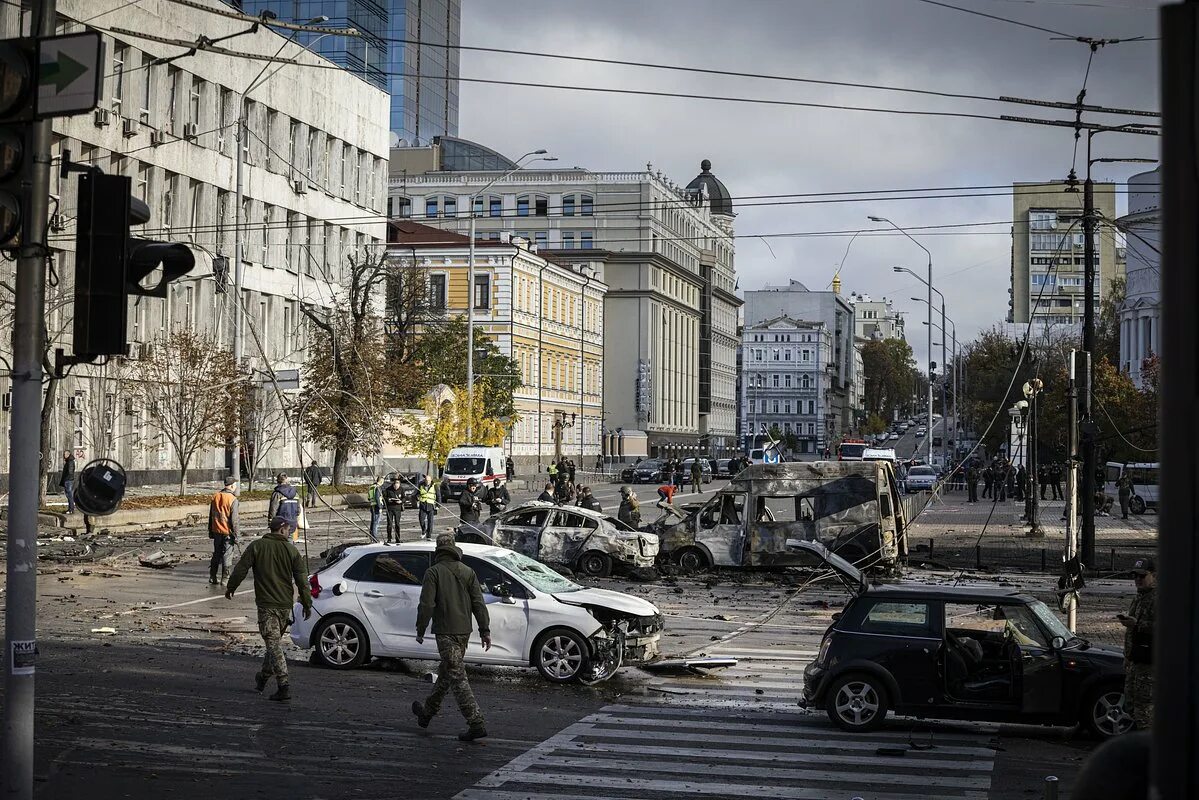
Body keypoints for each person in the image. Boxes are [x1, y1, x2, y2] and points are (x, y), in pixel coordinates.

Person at [411, 532, 491, 741]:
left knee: (456, 676)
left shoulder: (433, 572)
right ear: (454, 548)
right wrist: (485, 630)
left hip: (445, 632)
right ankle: (426, 714)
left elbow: (427, 604)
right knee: (447, 673)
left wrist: (421, 628)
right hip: (464, 631)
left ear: (438, 549)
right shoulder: (468, 572)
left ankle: (476, 723)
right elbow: (478, 604)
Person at [225, 515, 312, 702]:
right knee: (273, 644)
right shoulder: (292, 550)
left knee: (273, 645)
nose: (289, 532)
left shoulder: (256, 546)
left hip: (266, 605)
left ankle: (283, 684)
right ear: (281, 529)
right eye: (288, 529)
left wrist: (231, 587)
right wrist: (307, 603)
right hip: (284, 606)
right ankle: (263, 678)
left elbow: (241, 568)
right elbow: (303, 581)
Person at [1119, 557, 1155, 730]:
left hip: (1151, 663)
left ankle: (1149, 747)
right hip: (1136, 660)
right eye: (1135, 576)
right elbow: (1131, 632)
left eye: (1142, 576)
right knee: (1131, 703)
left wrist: (1138, 624)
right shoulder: (1139, 597)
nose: (1138, 580)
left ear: (1154, 576)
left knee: (1145, 708)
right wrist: (1127, 656)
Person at [208, 476, 240, 585]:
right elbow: (234, 520)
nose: (236, 486)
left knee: (216, 553)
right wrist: (237, 535)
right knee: (227, 554)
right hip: (227, 532)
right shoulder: (232, 499)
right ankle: (225, 578)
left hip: (216, 530)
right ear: (231, 486)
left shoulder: (216, 496)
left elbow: (211, 515)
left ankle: (213, 576)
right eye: (235, 484)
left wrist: (210, 530)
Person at [267, 474, 301, 540]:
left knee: (279, 544)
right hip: (292, 522)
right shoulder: (295, 493)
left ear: (278, 481)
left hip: (280, 524)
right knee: (290, 542)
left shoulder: (277, 494)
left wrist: (270, 522)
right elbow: (298, 510)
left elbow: (273, 509)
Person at [382, 475, 405, 543]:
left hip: (398, 509)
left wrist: (401, 501)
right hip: (390, 509)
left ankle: (398, 538)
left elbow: (404, 498)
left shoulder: (401, 489)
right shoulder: (388, 489)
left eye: (398, 485)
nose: (396, 486)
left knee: (397, 524)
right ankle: (389, 538)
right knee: (389, 524)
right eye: (395, 485)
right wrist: (388, 499)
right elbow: (384, 497)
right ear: (393, 484)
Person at [366, 475, 386, 543]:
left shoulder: (371, 487)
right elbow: (377, 498)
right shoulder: (378, 488)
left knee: (373, 522)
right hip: (376, 506)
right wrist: (380, 507)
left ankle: (371, 536)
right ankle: (374, 537)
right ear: (381, 481)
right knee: (376, 523)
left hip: (372, 505)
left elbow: (369, 498)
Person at [418, 475, 437, 540]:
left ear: (430, 480)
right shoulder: (421, 485)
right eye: (426, 480)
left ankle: (429, 535)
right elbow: (417, 494)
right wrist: (417, 497)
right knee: (421, 520)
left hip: (431, 505)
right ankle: (424, 531)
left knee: (430, 521)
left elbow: (438, 495)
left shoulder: (434, 486)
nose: (427, 481)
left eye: (428, 480)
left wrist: (438, 505)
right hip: (423, 505)